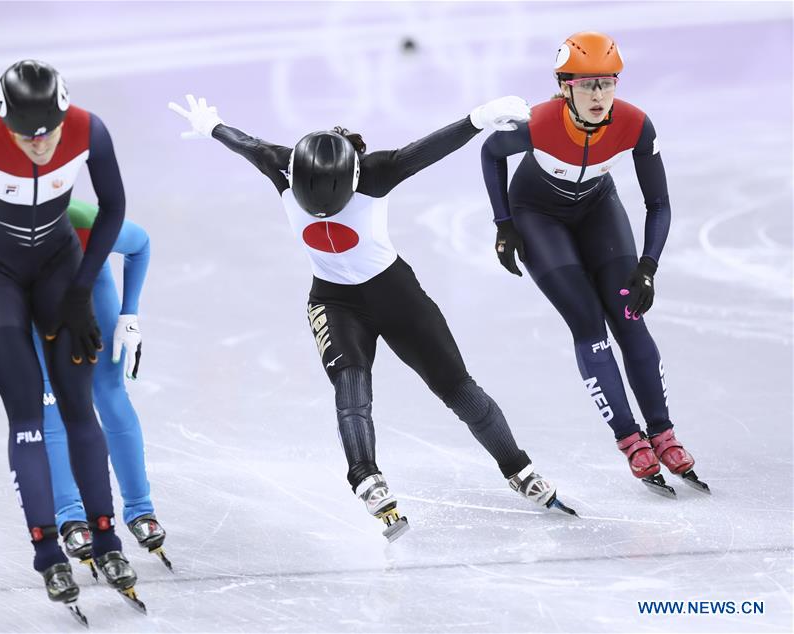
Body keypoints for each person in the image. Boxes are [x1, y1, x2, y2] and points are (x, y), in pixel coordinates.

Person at [169, 93, 575, 542]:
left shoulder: (377, 171)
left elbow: (428, 149)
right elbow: (247, 143)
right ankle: (365, 475)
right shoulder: (280, 165)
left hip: (396, 296)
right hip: (334, 302)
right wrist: (213, 126)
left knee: (457, 388)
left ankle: (519, 468)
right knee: (351, 386)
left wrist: (476, 119)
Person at [0, 60, 144, 617]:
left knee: (77, 405)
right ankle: (47, 552)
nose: (40, 145)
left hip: (59, 268)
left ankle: (107, 539)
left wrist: (82, 288)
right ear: (4, 120)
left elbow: (114, 206)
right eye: (26, 135)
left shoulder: (91, 129)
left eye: (50, 132)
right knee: (26, 411)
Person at [480, 32, 708, 497]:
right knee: (589, 324)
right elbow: (489, 152)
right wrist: (504, 222)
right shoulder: (536, 123)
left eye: (606, 83)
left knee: (630, 319)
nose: (599, 95)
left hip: (599, 212)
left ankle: (662, 432)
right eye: (587, 86)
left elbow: (659, 202)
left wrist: (648, 265)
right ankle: (630, 439)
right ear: (565, 88)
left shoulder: (635, 124)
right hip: (539, 218)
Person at [32, 199, 171, 573]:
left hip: (93, 296)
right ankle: (71, 515)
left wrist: (129, 314)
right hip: (38, 307)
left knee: (110, 397)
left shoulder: (89, 222)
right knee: (50, 401)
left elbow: (140, 244)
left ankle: (140, 508)